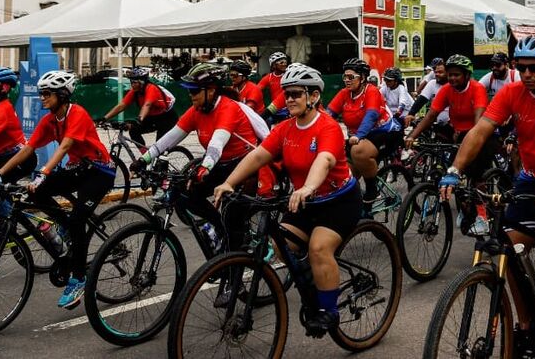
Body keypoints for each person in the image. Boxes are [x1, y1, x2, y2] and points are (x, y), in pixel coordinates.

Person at [441, 36, 535, 357]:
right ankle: (527, 327)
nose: (526, 74)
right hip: (532, 174)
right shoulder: (512, 92)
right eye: (520, 67)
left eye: (534, 68)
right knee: (506, 247)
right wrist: (454, 170)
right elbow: (481, 130)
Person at [214, 63, 360, 336]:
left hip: (338, 201)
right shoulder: (284, 128)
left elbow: (325, 159)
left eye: (295, 93)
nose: (289, 99)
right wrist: (229, 182)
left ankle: (330, 311)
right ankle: (316, 278)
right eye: (286, 94)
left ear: (313, 97)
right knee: (280, 246)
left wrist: (308, 187)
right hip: (304, 201)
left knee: (318, 248)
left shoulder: (328, 127)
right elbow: (258, 156)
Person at [0, 70, 115, 310]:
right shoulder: (49, 120)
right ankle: (64, 225)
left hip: (98, 172)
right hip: (78, 169)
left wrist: (43, 173)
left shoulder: (77, 113)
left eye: (47, 94)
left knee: (77, 221)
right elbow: (27, 148)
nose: (42, 98)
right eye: (41, 94)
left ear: (63, 95)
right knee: (36, 193)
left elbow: (65, 146)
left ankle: (78, 278)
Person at [136, 63, 267, 277]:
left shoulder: (228, 108)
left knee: (233, 217)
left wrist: (204, 167)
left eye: (195, 91)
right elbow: (171, 137)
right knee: (186, 195)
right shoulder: (197, 110)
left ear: (211, 90)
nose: (191, 96)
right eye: (189, 91)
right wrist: (144, 160)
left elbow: (218, 142)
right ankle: (219, 228)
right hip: (222, 165)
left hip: (245, 165)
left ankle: (233, 280)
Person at [406, 54, 493, 235]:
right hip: (457, 136)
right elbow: (431, 116)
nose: (452, 78)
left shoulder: (477, 89)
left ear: (467, 75)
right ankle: (465, 209)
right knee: (454, 173)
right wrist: (412, 136)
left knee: (477, 176)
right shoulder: (446, 90)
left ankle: (483, 217)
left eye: (457, 75)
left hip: (479, 135)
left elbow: (479, 122)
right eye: (450, 74)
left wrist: (468, 138)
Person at [328, 57, 401, 211]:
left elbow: (371, 116)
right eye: (345, 77)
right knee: (344, 178)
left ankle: (371, 190)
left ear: (362, 78)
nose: (347, 80)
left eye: (351, 77)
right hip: (360, 137)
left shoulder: (371, 91)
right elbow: (329, 114)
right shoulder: (344, 93)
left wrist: (359, 135)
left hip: (385, 133)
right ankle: (364, 213)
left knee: (358, 150)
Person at [99, 66, 176, 149]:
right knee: (133, 131)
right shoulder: (135, 91)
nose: (132, 85)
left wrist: (139, 119)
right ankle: (145, 156)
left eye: (135, 82)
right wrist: (104, 118)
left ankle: (161, 160)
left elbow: (147, 105)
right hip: (151, 118)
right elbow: (122, 105)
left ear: (142, 82)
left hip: (166, 118)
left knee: (158, 146)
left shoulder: (151, 88)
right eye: (131, 82)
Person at [406, 58, 450, 134]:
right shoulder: (432, 83)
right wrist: (411, 114)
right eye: (436, 72)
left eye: (440, 72)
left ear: (448, 73)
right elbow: (421, 100)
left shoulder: (454, 85)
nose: (437, 74)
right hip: (435, 120)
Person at [259, 52, 289, 120]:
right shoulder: (269, 77)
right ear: (273, 65)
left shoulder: (288, 75)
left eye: (285, 62)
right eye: (281, 62)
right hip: (274, 109)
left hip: (288, 109)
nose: (284, 64)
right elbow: (256, 89)